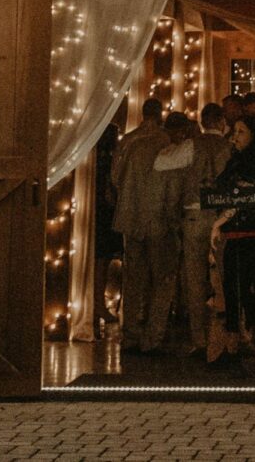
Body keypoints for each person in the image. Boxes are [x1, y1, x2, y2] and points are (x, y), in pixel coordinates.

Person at [111, 102, 181, 354]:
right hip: (158, 218)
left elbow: (115, 177)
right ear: (160, 114)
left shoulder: (128, 141)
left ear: (143, 114)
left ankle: (130, 334)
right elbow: (172, 187)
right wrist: (174, 218)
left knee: (133, 278)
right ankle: (153, 337)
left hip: (131, 216)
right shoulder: (166, 143)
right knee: (161, 278)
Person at [208, 117, 255, 370]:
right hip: (243, 231)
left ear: (253, 136)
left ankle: (233, 349)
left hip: (246, 233)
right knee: (240, 289)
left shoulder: (251, 163)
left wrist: (218, 222)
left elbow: (242, 199)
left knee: (236, 288)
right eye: (234, 131)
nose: (235, 137)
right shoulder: (239, 160)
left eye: (241, 132)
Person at [180, 103, 232, 356]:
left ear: (202, 122)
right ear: (221, 121)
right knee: (224, 279)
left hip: (193, 213)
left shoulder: (192, 145)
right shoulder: (229, 147)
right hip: (221, 216)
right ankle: (224, 338)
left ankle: (199, 339)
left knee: (195, 279)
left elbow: (162, 162)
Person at [92, 123, 122, 335]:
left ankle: (98, 304)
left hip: (102, 213)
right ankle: (98, 304)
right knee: (101, 259)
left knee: (102, 260)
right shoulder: (106, 162)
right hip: (104, 214)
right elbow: (111, 191)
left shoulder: (99, 162)